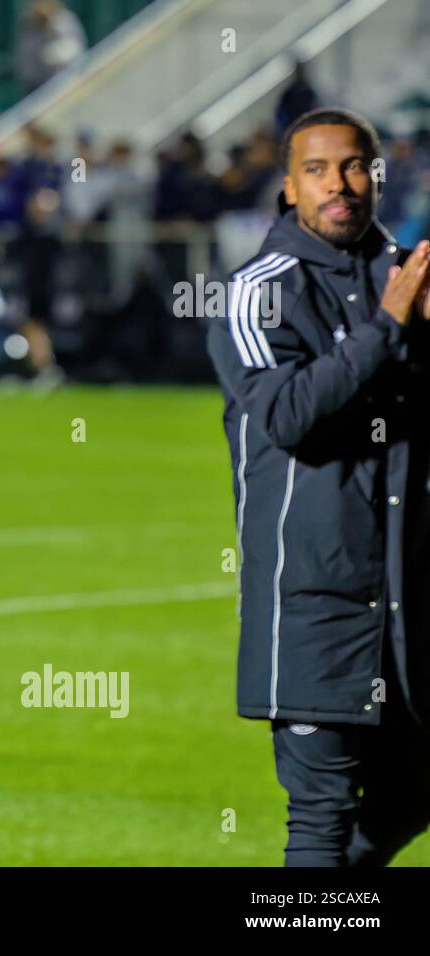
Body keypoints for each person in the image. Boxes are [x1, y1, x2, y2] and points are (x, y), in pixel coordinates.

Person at [207, 107, 430, 866]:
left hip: (410, 599)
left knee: (415, 792)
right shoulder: (256, 291)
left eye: (355, 166)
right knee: (322, 816)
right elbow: (287, 414)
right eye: (318, 169)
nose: (340, 185)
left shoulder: (408, 273)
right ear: (289, 184)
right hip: (314, 604)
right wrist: (391, 327)